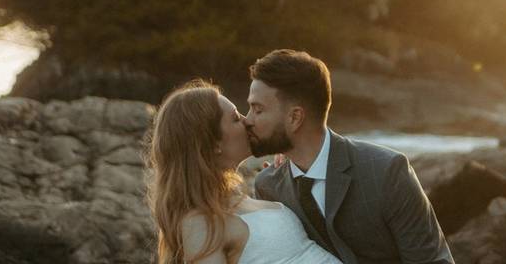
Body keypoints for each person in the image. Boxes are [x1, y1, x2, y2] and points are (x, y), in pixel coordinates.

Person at [246, 49, 454, 264]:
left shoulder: (387, 171)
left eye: (257, 109)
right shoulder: (268, 186)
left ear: (295, 117)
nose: (247, 120)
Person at [146, 78, 342, 264]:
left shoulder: (244, 197)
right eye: (235, 118)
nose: (247, 121)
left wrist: (288, 180)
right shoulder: (201, 224)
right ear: (214, 143)